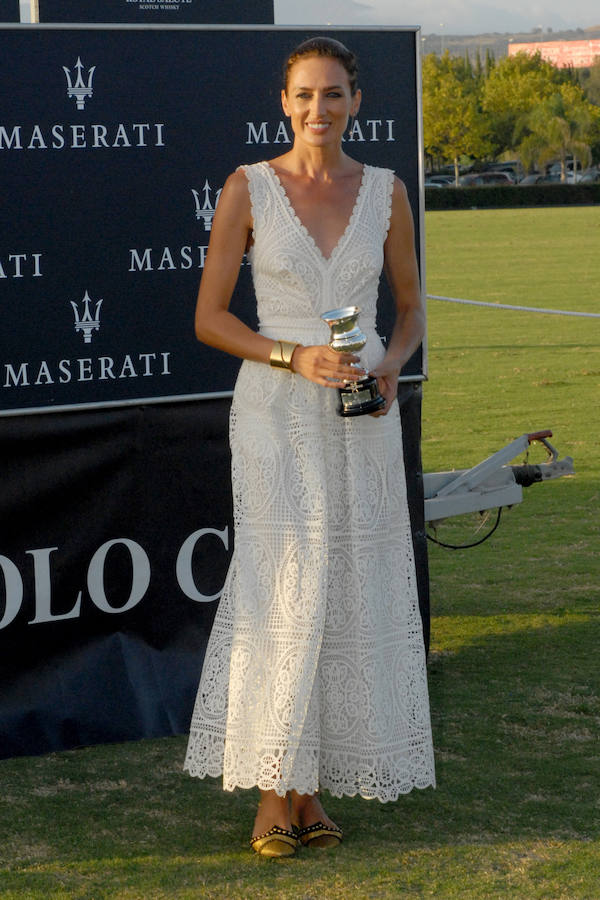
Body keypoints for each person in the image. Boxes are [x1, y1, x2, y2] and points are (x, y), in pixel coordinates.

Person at [184, 36, 435, 857]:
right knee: (283, 591)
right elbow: (210, 319)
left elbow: (409, 304)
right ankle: (271, 795)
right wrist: (294, 355)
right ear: (283, 103)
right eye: (304, 96)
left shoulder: (387, 193)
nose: (318, 110)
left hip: (361, 419)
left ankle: (313, 792)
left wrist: (391, 364)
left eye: (333, 95)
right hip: (275, 412)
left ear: (356, 102)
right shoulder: (248, 188)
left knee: (348, 590)